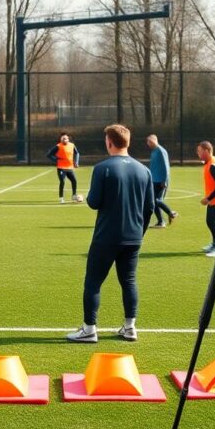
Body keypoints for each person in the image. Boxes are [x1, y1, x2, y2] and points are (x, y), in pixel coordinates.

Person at [66, 124, 153, 343]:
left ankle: (89, 329)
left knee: (93, 282)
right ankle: (130, 327)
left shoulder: (103, 168)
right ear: (128, 142)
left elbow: (94, 202)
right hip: (133, 237)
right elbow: (150, 206)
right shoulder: (144, 170)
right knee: (129, 281)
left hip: (106, 236)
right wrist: (139, 233)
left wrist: (87, 197)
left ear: (109, 142)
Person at [146, 134, 178, 227]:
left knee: (156, 200)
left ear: (154, 141)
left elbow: (166, 166)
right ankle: (161, 222)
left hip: (161, 181)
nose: (148, 144)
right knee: (154, 201)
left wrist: (165, 180)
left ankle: (170, 213)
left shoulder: (161, 150)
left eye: (149, 141)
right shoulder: (154, 151)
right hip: (154, 180)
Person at [47, 132, 81, 203]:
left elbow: (77, 153)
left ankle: (74, 195)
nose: (64, 139)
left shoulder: (72, 145)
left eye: (65, 138)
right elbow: (49, 154)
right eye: (62, 138)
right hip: (61, 168)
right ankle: (61, 198)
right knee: (62, 181)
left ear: (68, 139)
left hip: (70, 168)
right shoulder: (58, 146)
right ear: (60, 140)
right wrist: (56, 160)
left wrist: (76, 162)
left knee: (74, 180)